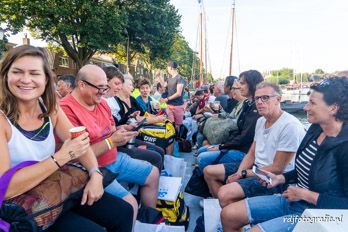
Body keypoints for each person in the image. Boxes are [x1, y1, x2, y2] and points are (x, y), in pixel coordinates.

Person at [0, 45, 133, 232]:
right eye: (18, 72)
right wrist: (61, 157)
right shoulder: (2, 120)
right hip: (23, 208)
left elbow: (79, 140)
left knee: (124, 212)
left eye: (34, 73)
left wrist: (95, 172)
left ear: (46, 79)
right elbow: (5, 189)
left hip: (54, 190)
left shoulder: (48, 107)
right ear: (5, 75)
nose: (26, 80)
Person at [222, 76, 348, 232]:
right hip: (294, 198)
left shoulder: (344, 147)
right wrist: (280, 178)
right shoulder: (315, 129)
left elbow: (344, 204)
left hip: (319, 214)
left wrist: (305, 195)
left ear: (333, 108)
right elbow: (305, 170)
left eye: (312, 103)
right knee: (228, 215)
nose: (306, 107)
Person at [60, 64, 159, 224]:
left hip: (114, 157)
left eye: (105, 87)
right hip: (90, 170)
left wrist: (124, 128)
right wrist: (112, 141)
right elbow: (75, 155)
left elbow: (111, 129)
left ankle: (147, 222)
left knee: (153, 174)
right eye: (99, 88)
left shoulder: (103, 102)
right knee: (130, 204)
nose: (103, 92)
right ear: (81, 84)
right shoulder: (65, 110)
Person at [204, 82, 305, 200]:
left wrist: (244, 174)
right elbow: (251, 153)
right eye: (257, 98)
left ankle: (229, 209)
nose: (259, 102)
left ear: (278, 99)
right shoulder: (261, 121)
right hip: (256, 168)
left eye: (265, 98)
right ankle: (225, 206)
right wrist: (239, 174)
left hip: (273, 178)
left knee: (225, 193)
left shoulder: (290, 126)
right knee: (209, 172)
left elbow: (278, 168)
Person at [196, 70, 264, 171]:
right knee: (202, 150)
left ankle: (207, 177)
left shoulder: (255, 108)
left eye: (241, 84)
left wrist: (222, 146)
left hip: (244, 151)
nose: (238, 88)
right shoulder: (246, 104)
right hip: (235, 144)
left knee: (202, 157)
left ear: (252, 84)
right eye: (237, 86)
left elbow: (244, 136)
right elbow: (236, 126)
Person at [103, 66, 164, 170]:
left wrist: (129, 121)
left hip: (126, 137)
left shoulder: (119, 100)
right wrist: (157, 119)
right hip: (120, 144)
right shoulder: (108, 101)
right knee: (157, 155)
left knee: (160, 150)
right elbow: (111, 131)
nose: (132, 88)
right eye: (130, 85)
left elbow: (116, 126)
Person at [158, 61, 185, 129]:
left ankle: (177, 138)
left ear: (170, 67)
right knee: (170, 124)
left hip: (178, 106)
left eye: (167, 67)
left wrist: (167, 99)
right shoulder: (170, 78)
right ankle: (172, 138)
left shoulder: (179, 78)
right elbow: (164, 85)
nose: (167, 69)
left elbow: (178, 93)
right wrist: (159, 77)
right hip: (169, 106)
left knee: (177, 126)